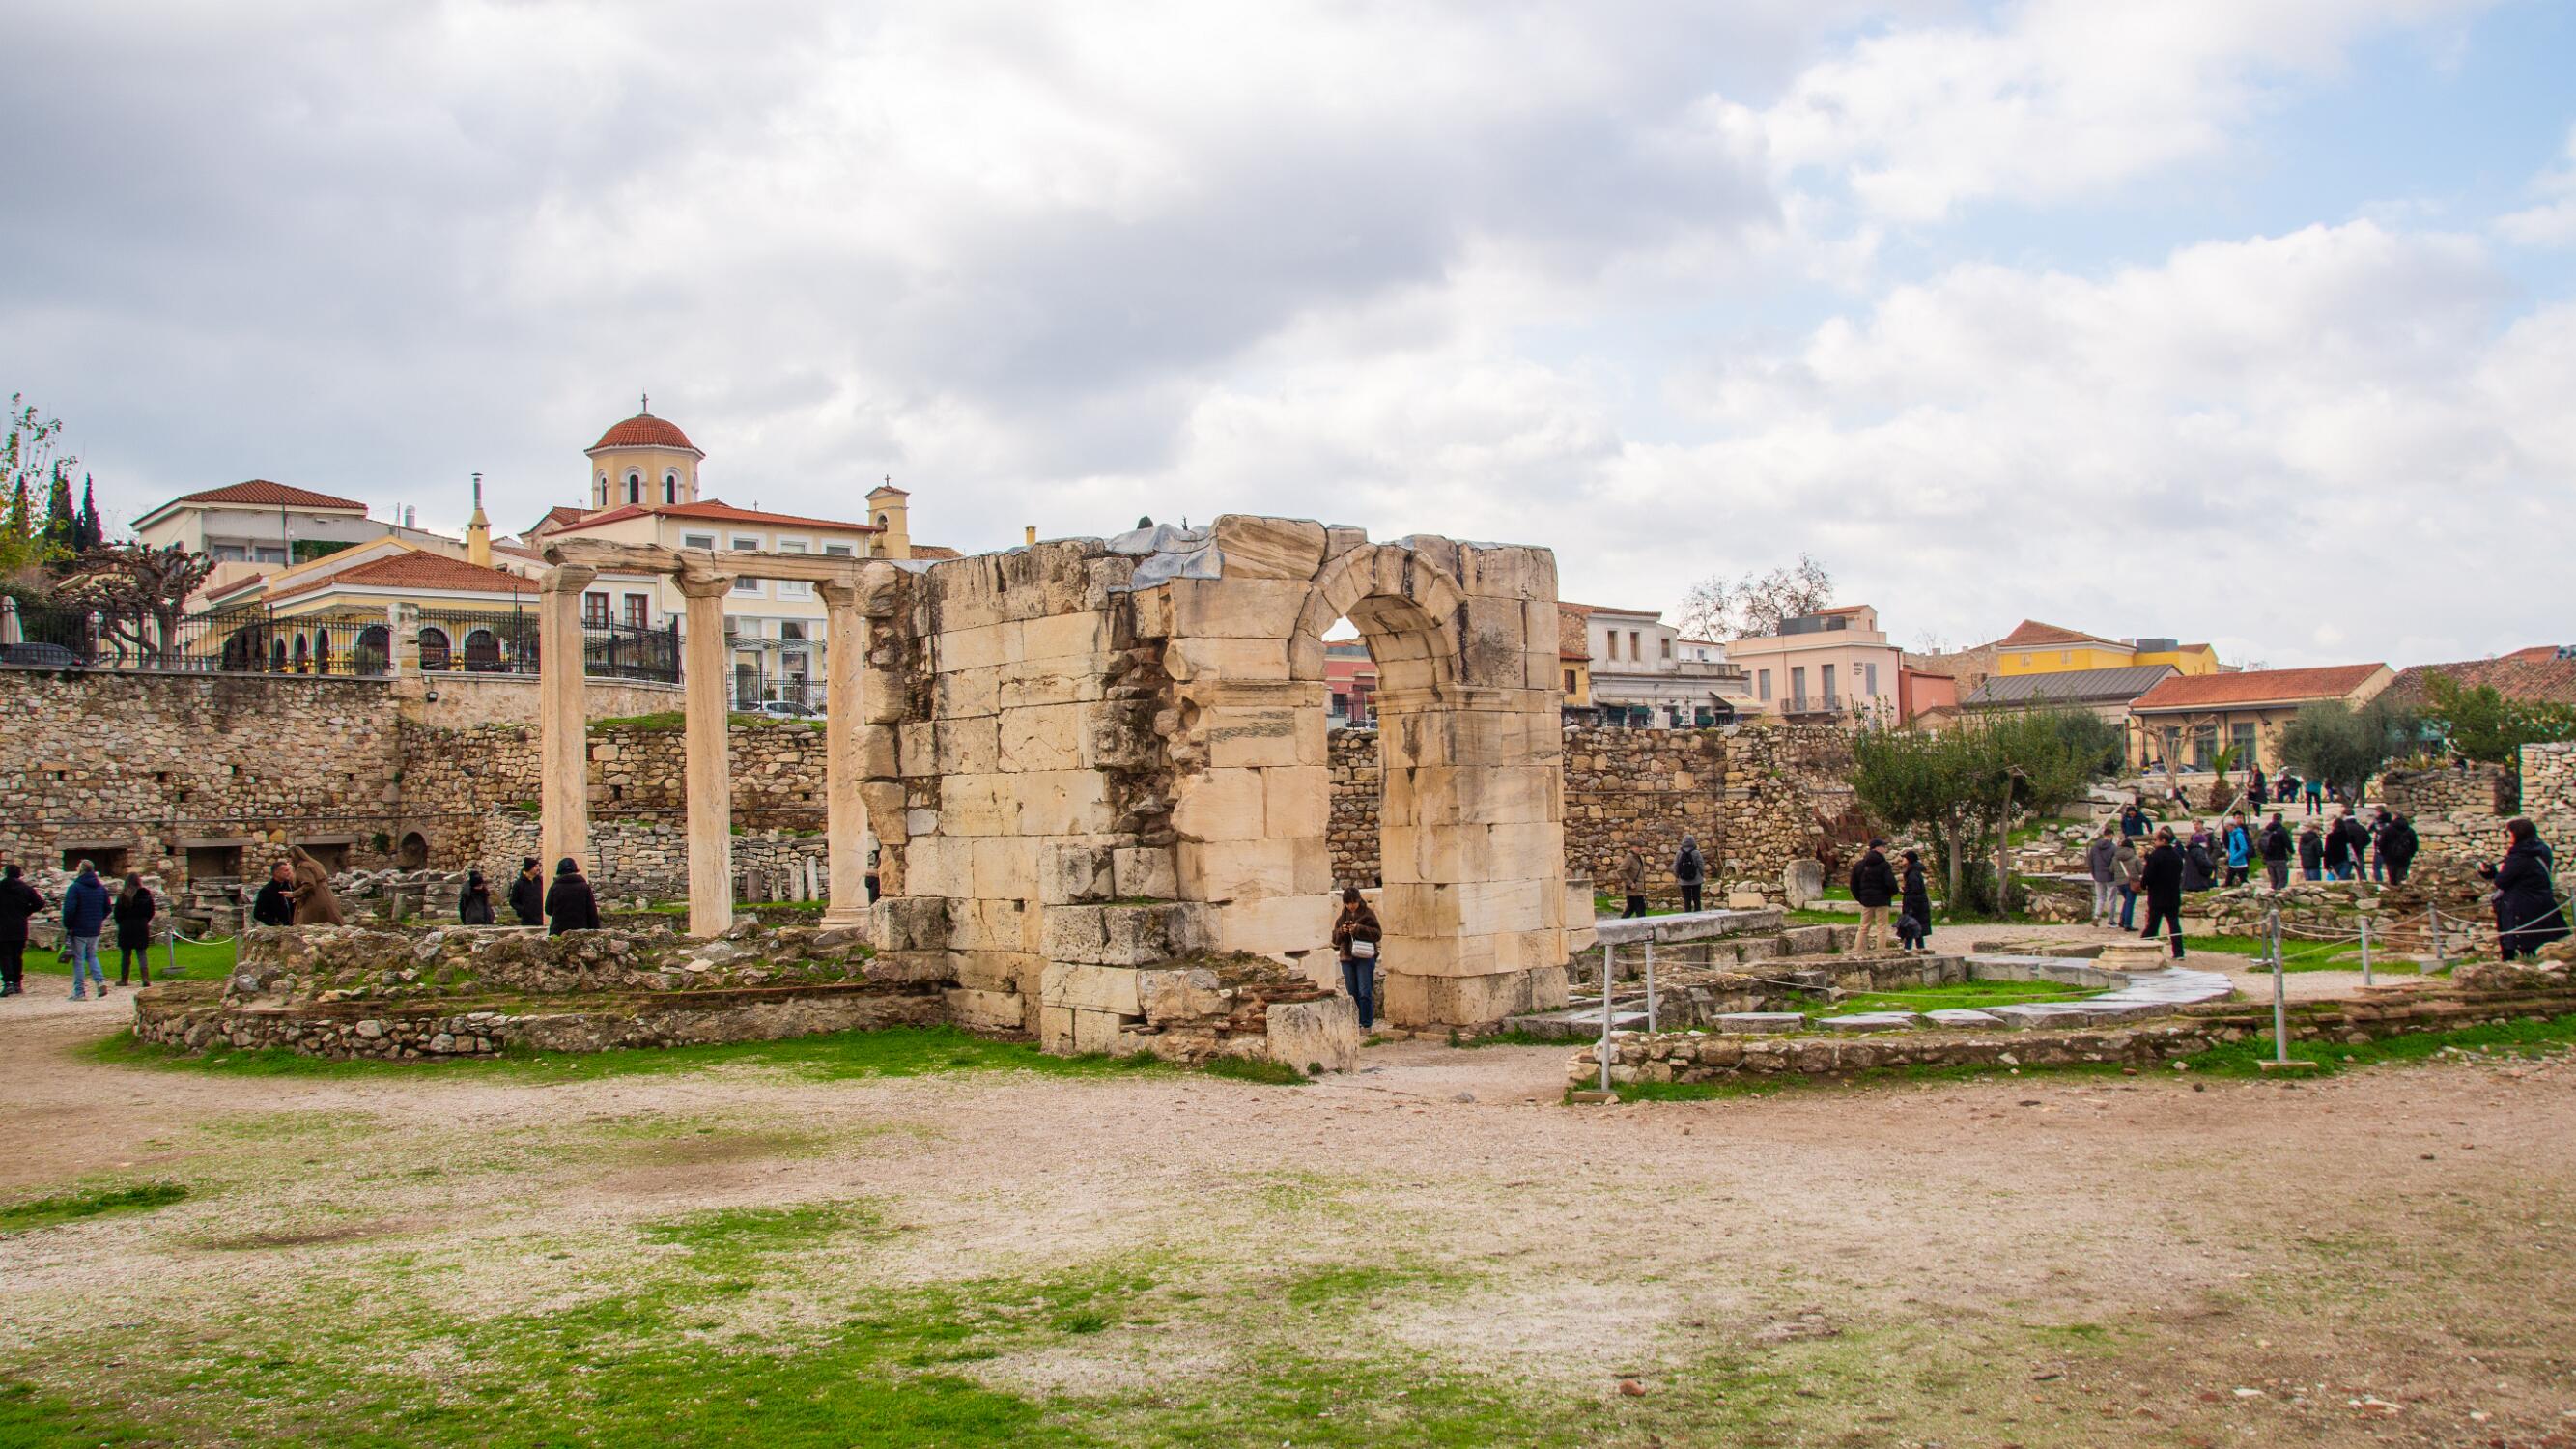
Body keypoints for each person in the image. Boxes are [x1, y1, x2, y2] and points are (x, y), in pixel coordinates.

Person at [2480, 818, 2568, 960]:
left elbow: (2502, 881)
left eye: (2509, 834)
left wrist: (2489, 872)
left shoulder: (2519, 856)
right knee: (2541, 942)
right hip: (2542, 902)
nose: (2507, 837)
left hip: (2520, 907)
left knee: (2523, 945)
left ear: (2518, 834)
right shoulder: (2543, 850)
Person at [1329, 886, 1383, 1029]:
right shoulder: (1342, 917)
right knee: (1352, 992)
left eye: (1353, 902)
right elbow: (1335, 940)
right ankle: (1356, 1023)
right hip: (1347, 959)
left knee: (1364, 991)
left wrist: (1358, 929)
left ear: (1358, 900)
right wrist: (1342, 931)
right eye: (1348, 903)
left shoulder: (1368, 914)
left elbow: (1377, 934)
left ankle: (1366, 1024)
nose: (1351, 906)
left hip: (1365, 957)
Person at [59, 860, 111, 1000]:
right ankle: (100, 981)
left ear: (81, 870)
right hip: (94, 928)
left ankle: (79, 991)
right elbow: (107, 908)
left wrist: (68, 925)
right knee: (92, 956)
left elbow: (69, 910)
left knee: (78, 959)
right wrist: (98, 919)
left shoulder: (75, 888)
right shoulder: (101, 888)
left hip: (79, 928)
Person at [2138, 827, 2186, 960]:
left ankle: (2142, 947)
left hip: (2157, 895)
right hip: (2173, 895)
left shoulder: (2155, 856)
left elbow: (2148, 875)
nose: (2154, 843)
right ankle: (2179, 952)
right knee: (2174, 924)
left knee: (2153, 924)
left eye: (2156, 840)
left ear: (2163, 841)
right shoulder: (2176, 856)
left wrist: (2143, 885)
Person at [0, 864, 45, 998]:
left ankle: (8, 983)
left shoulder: (1, 887)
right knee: (17, 955)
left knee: (5, 955)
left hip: (3, 926)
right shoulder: (26, 889)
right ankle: (17, 983)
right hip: (20, 926)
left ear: (6, 873)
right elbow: (40, 903)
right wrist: (26, 911)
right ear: (19, 874)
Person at [1849, 838, 1897, 952]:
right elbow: (1891, 883)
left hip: (1867, 900)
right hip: (1882, 900)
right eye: (1883, 846)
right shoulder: (1884, 865)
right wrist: (1890, 894)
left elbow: (1853, 885)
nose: (1885, 849)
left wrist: (1861, 898)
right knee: (1881, 927)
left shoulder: (1859, 865)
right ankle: (1881, 950)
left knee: (1863, 927)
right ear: (1877, 848)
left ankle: (1858, 950)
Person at [111, 871, 156, 987]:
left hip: (126, 926)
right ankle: (145, 978)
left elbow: (117, 914)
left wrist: (121, 922)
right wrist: (144, 920)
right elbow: (151, 911)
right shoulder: (145, 895)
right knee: (141, 953)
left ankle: (124, 979)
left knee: (126, 954)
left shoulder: (123, 896)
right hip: (141, 926)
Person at [287, 845, 346, 926]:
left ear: (293, 857)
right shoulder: (314, 864)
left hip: (315, 897)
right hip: (326, 894)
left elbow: (309, 884)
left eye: (289, 858)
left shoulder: (302, 867)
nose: (288, 861)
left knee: (307, 923)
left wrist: (293, 894)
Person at [544, 858, 600, 935]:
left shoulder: (555, 887)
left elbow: (548, 910)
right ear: (575, 870)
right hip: (581, 932)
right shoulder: (584, 887)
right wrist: (595, 931)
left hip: (558, 932)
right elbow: (592, 912)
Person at [1898, 848, 1933, 952]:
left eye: (1904, 858)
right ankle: (1920, 948)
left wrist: (1905, 891)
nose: (1902, 860)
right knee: (1917, 927)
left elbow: (1915, 890)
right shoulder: (1914, 872)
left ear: (1909, 860)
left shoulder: (1912, 874)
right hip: (1918, 905)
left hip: (1913, 905)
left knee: (1910, 926)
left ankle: (1907, 949)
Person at [2084, 826, 2119, 926]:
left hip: (2098, 875)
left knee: (2100, 897)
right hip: (2111, 876)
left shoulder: (2094, 847)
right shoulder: (2113, 848)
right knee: (2112, 899)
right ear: (2111, 835)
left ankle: (2096, 916)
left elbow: (2090, 862)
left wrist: (2094, 874)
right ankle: (2111, 920)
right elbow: (2116, 863)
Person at [251, 861, 296, 927]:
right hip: (278, 928)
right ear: (276, 873)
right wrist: (274, 922)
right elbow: (257, 914)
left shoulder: (290, 886)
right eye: (286, 871)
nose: (289, 873)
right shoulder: (266, 891)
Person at [2381, 812, 2419, 886]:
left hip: (2390, 857)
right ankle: (2402, 888)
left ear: (2394, 817)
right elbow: (2414, 845)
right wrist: (2410, 854)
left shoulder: (2387, 829)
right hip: (2405, 856)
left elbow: (2382, 844)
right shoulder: (2410, 830)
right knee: (2402, 877)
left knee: (2392, 878)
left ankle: (2393, 889)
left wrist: (2384, 854)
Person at [2113, 835, 2143, 929]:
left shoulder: (2116, 857)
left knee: (2127, 901)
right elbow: (2141, 871)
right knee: (2130, 903)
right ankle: (2127, 924)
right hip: (2131, 882)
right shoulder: (2135, 858)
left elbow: (2111, 869)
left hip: (2119, 883)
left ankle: (2122, 921)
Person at [1672, 836, 1706, 914]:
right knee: (1697, 899)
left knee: (1687, 899)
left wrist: (1677, 876)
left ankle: (1688, 915)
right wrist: (1701, 875)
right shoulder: (1696, 852)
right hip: (1696, 879)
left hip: (1683, 880)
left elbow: (1675, 865)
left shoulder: (1679, 853)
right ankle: (1698, 915)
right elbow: (1701, 865)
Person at [2259, 813, 2293, 891]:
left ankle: (2272, 895)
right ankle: (2279, 895)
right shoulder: (2282, 830)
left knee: (2273, 881)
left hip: (2269, 859)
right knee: (2282, 881)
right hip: (2280, 858)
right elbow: (2287, 843)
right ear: (2281, 820)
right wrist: (2291, 851)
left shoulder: (2266, 830)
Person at [509, 857, 546, 927]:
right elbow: (513, 901)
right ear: (529, 868)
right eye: (535, 866)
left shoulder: (541, 881)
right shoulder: (519, 884)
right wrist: (523, 910)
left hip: (541, 919)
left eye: (538, 866)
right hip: (527, 921)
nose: (538, 868)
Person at [2339, 812, 2373, 884]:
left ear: (2345, 816)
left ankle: (2343, 886)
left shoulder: (2344, 827)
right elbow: (2368, 839)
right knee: (2361, 872)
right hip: (2358, 852)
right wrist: (2361, 846)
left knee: (2345, 871)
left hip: (2346, 853)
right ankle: (2364, 885)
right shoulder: (2360, 827)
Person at [2320, 811, 2354, 881]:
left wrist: (2326, 864)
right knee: (2344, 880)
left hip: (2334, 861)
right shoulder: (2348, 835)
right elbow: (2351, 848)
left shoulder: (2330, 836)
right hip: (2346, 860)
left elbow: (2328, 850)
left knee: (2333, 880)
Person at [2222, 813, 2252, 889]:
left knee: (2243, 879)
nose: (2226, 828)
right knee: (2229, 879)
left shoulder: (2239, 835)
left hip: (2239, 862)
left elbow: (2244, 848)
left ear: (2232, 826)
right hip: (2233, 861)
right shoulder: (2231, 834)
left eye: (2227, 826)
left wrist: (2235, 857)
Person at [1616, 849, 1649, 919]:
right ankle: (1643, 924)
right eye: (1640, 847)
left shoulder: (1638, 857)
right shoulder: (1629, 857)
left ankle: (1621, 922)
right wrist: (1630, 883)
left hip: (1638, 889)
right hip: (1634, 889)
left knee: (1631, 908)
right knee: (1640, 909)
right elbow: (1620, 870)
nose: (1641, 849)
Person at [2182, 828, 2216, 893]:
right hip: (2197, 882)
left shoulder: (2189, 850)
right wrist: (2211, 864)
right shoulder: (2198, 850)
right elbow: (2202, 861)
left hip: (2188, 881)